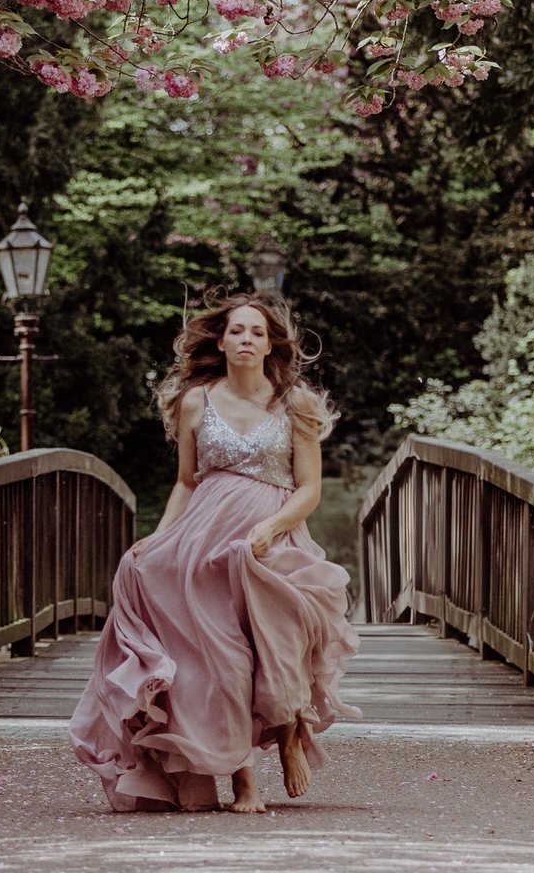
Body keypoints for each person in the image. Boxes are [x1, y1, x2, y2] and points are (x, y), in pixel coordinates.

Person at [70, 291, 358, 812]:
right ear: (221, 342)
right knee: (221, 659)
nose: (246, 339)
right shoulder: (196, 400)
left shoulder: (296, 403)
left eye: (256, 332)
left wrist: (271, 528)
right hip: (205, 539)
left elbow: (309, 488)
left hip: (271, 535)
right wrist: (160, 539)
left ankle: (292, 729)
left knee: (280, 642)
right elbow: (185, 481)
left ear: (271, 344)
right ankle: (242, 779)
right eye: (236, 331)